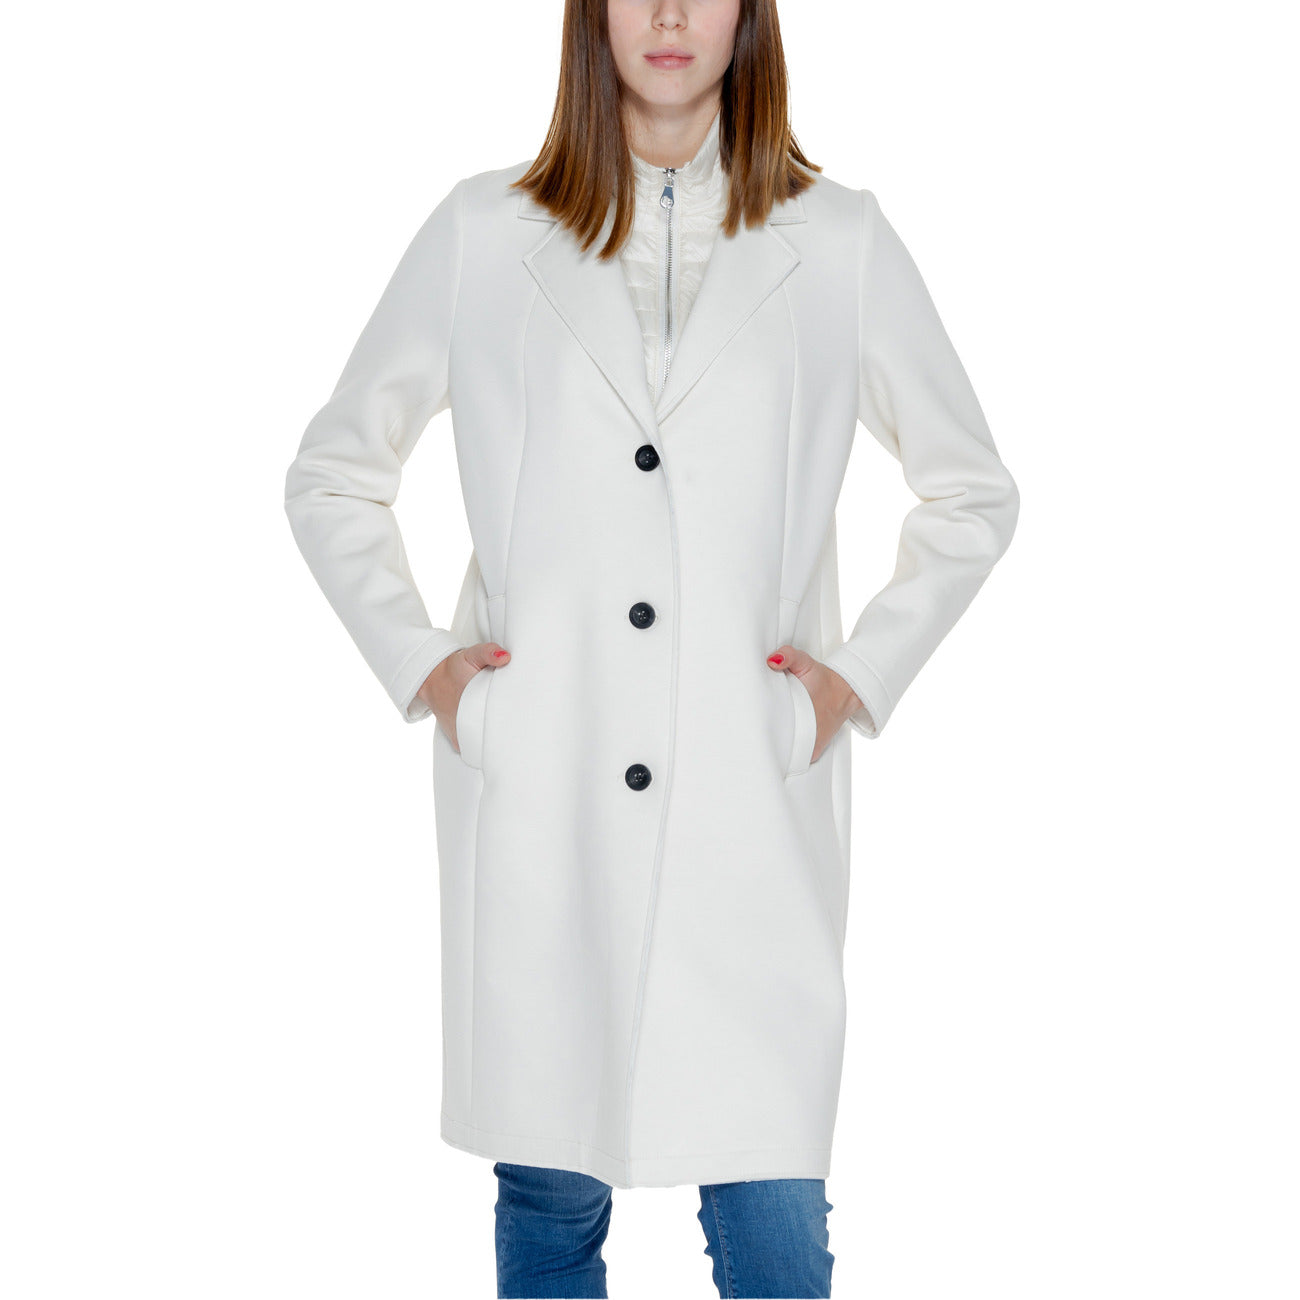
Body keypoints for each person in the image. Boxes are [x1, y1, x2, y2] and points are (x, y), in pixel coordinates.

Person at [284, 1, 1019, 1296]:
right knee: (550, 1194)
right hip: (546, 797)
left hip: (748, 811)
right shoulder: (483, 232)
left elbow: (971, 493)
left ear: (749, 14)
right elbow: (335, 474)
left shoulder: (838, 241)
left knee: (772, 1219)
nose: (670, 14)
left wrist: (849, 684)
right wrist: (432, 671)